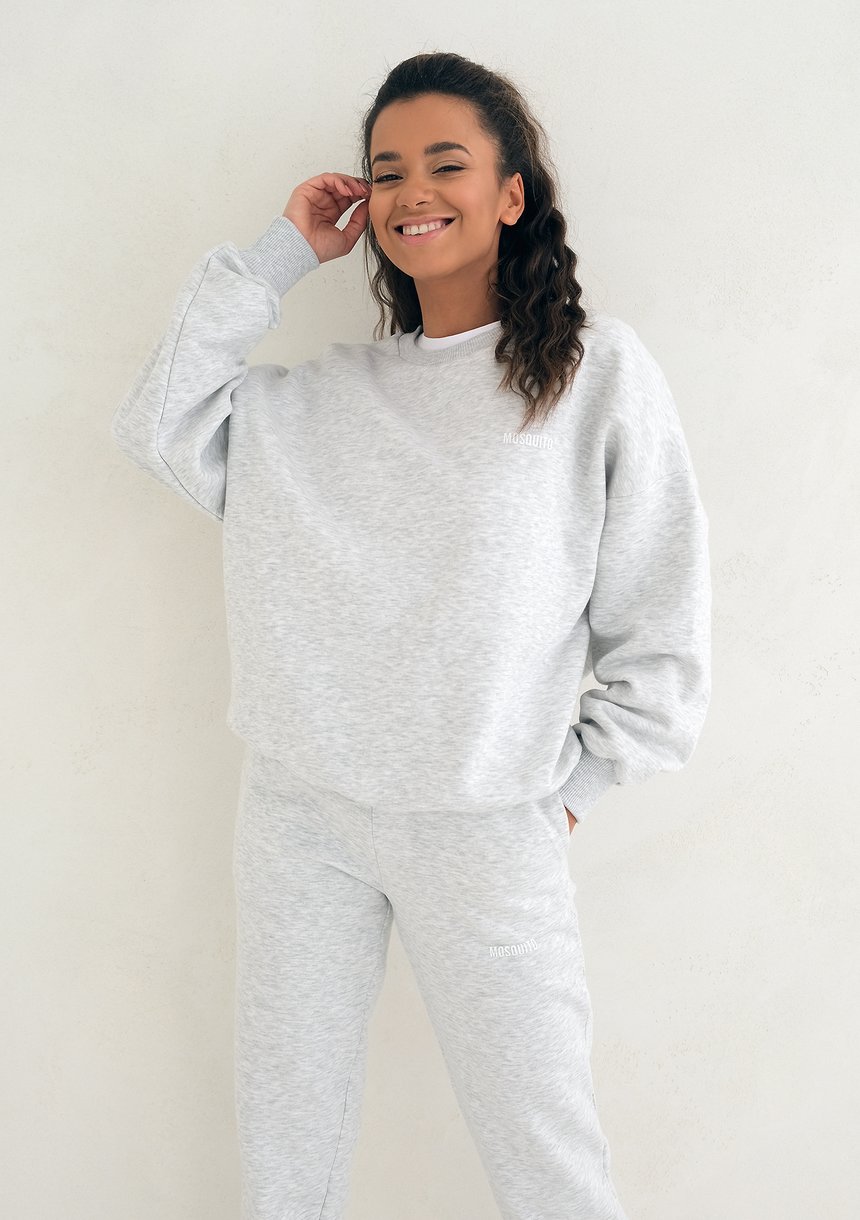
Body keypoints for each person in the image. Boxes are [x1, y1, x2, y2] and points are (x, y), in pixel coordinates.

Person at [110, 51, 711, 1220]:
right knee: (285, 1150)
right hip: (301, 813)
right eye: (386, 171)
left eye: (445, 164)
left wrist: (563, 793)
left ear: (510, 193)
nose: (410, 192)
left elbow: (661, 625)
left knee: (547, 1158)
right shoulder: (317, 400)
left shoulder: (593, 376)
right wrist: (282, 253)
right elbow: (157, 422)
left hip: (486, 822)